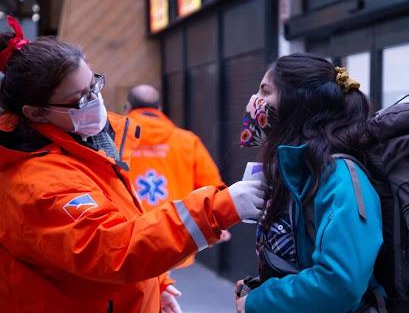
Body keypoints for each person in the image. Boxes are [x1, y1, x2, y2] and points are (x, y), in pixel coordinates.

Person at [0, 16, 265, 312]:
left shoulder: (84, 146)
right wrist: (219, 209)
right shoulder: (38, 184)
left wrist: (155, 285)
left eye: (94, 85)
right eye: (79, 99)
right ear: (36, 113)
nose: (94, 101)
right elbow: (115, 248)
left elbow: (121, 221)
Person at [235, 53, 383, 313]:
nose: (254, 101)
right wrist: (262, 285)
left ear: (296, 104)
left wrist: (259, 302)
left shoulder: (341, 179)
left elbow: (340, 284)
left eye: (265, 91)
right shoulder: (300, 172)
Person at [125, 84, 231, 311]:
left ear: (127, 107)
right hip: (174, 228)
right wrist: (218, 220)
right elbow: (211, 185)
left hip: (129, 232)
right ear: (160, 108)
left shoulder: (115, 140)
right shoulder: (186, 140)